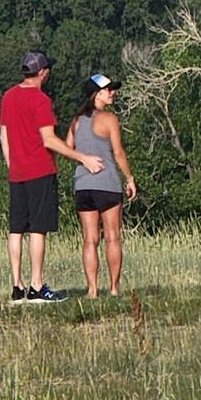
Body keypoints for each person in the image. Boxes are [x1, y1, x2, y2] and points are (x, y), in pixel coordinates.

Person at [0, 51, 104, 304]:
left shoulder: (8, 96)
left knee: (16, 229)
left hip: (18, 173)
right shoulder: (40, 100)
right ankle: (36, 286)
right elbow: (48, 139)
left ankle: (16, 286)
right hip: (40, 171)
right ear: (43, 72)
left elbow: (3, 134)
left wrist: (12, 165)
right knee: (38, 228)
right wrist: (82, 157)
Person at [69, 72, 137, 298]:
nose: (112, 93)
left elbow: (68, 148)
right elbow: (118, 153)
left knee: (89, 239)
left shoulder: (76, 121)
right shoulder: (109, 120)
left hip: (83, 185)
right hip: (107, 183)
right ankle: (114, 288)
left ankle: (92, 289)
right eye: (108, 89)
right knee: (112, 236)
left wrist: (83, 159)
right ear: (96, 94)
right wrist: (129, 178)